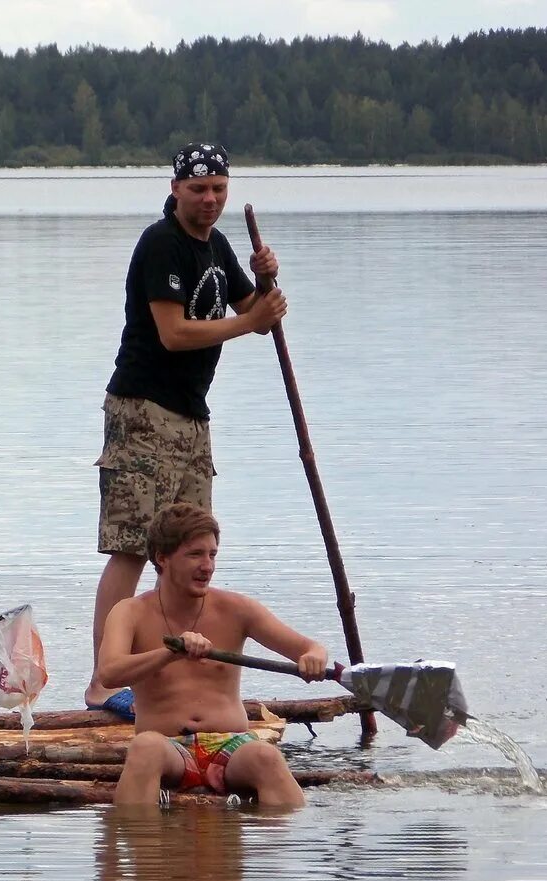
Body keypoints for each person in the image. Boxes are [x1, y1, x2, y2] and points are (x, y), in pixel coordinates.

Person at [85, 142, 288, 718]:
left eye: (219, 189)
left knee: (188, 546)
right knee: (131, 545)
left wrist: (267, 284)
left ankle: (175, 684)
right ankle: (104, 681)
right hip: (142, 409)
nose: (210, 200)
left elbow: (262, 317)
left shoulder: (219, 246)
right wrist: (247, 319)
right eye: (199, 189)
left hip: (192, 417)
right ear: (176, 190)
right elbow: (174, 332)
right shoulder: (161, 244)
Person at [99, 503, 325, 810]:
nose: (207, 566)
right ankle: (146, 853)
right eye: (195, 555)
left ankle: (283, 852)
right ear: (162, 558)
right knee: (145, 747)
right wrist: (170, 653)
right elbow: (109, 673)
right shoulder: (130, 612)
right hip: (168, 747)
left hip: (231, 745)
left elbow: (310, 647)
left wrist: (313, 658)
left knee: (266, 755)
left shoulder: (237, 609)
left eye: (212, 554)